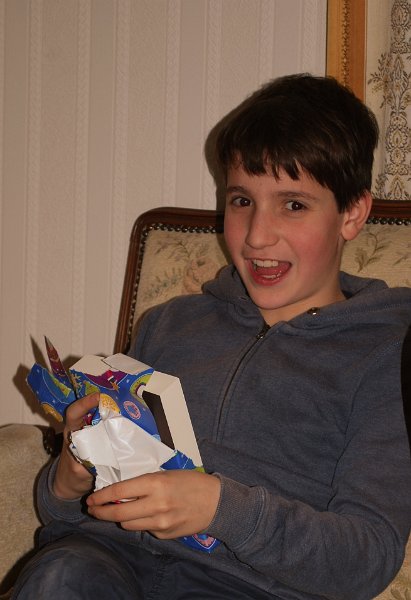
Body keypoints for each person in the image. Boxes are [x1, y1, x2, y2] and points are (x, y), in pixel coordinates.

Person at [13, 74, 411, 600]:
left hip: (251, 587)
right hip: (107, 563)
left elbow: (366, 558)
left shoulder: (386, 353)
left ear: (352, 213)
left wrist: (219, 508)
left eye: (293, 205)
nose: (257, 236)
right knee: (60, 576)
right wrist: (68, 481)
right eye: (242, 201)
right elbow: (65, 515)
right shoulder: (171, 324)